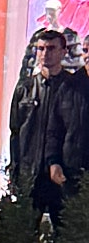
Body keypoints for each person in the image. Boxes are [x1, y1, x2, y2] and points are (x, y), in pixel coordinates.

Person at [15, 27, 77, 222]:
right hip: (30, 172)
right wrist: (15, 169)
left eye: (51, 48)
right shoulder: (26, 88)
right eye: (41, 49)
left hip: (62, 174)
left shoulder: (74, 88)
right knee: (24, 230)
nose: (45, 54)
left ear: (63, 52)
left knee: (65, 231)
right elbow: (15, 131)